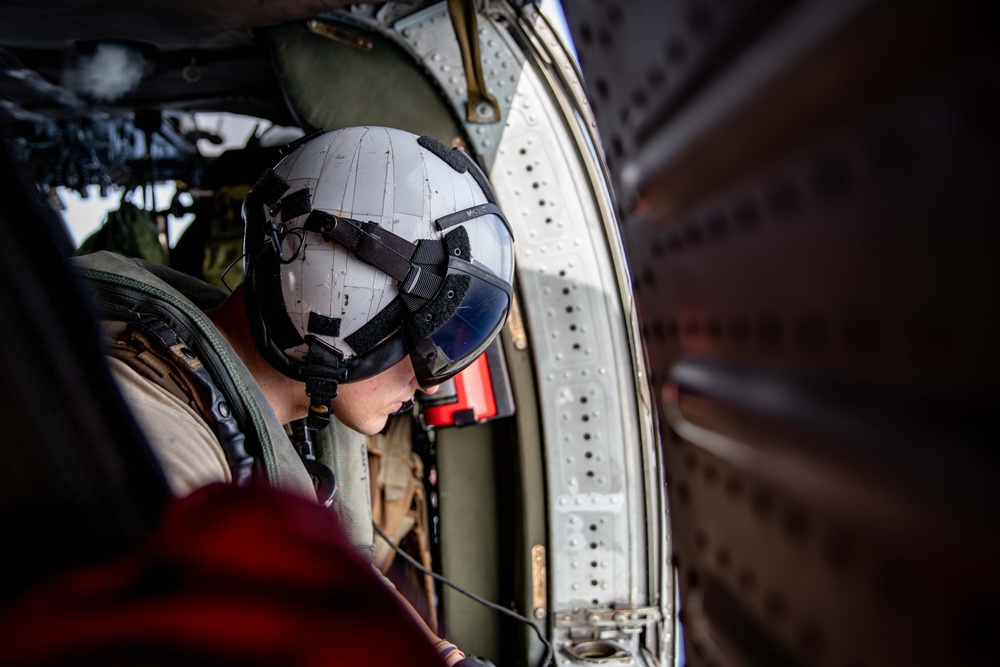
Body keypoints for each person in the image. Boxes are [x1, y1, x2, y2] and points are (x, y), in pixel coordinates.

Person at [72, 125, 516, 666]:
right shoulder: (161, 465)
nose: (433, 383)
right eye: (429, 335)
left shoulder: (262, 412)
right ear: (338, 296)